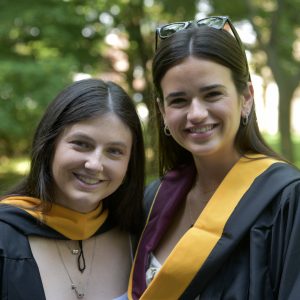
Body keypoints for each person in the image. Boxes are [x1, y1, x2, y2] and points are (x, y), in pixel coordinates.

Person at [128, 16, 300, 299]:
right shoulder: (154, 199)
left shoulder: (286, 201)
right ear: (162, 111)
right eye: (179, 100)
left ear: (246, 97)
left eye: (212, 95)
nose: (196, 113)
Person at [0, 78, 145, 299]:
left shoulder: (138, 237)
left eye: (114, 151)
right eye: (81, 144)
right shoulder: (5, 236)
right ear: (50, 145)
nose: (95, 164)